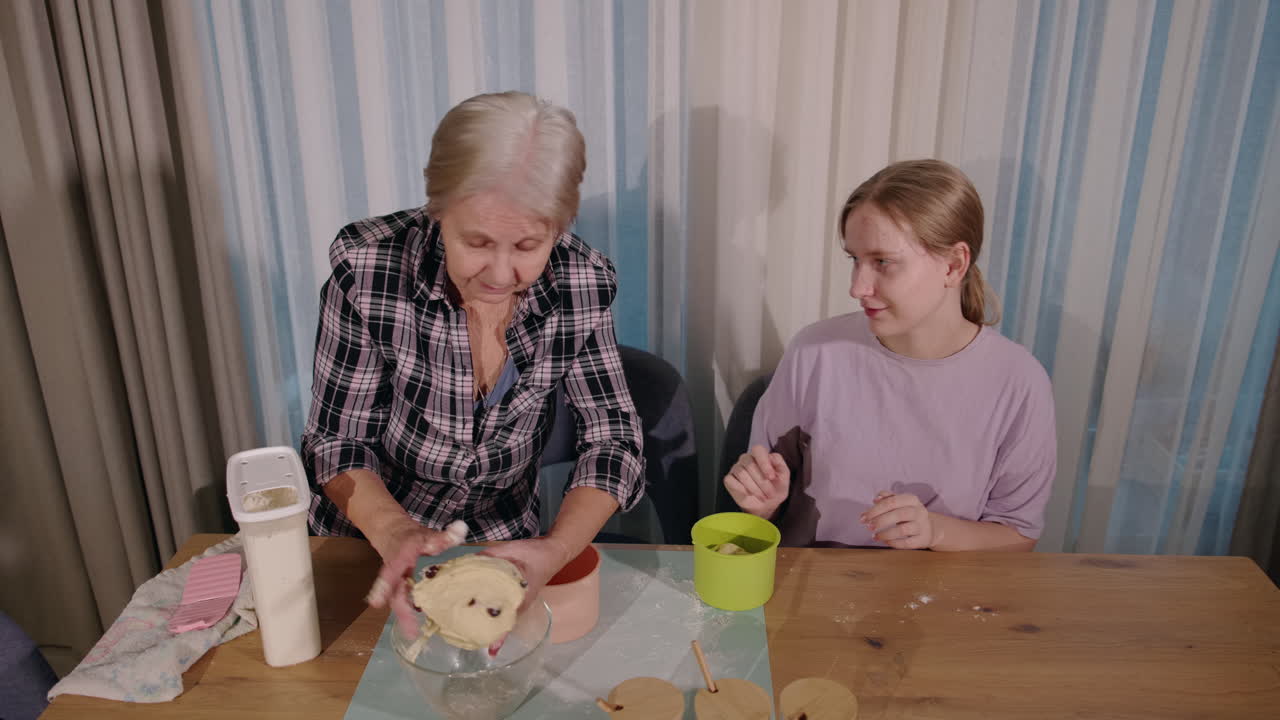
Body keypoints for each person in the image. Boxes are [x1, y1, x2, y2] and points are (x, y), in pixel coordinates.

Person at [300, 92, 644, 631]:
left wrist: (553, 550)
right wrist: (394, 532)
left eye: (529, 245)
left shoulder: (584, 283)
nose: (502, 275)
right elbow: (337, 443)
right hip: (366, 543)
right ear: (438, 210)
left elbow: (613, 439)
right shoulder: (369, 270)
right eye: (476, 242)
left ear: (561, 223)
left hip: (499, 543)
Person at [723, 159, 1056, 551]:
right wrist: (762, 508)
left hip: (941, 601)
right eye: (854, 260)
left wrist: (935, 531)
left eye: (883, 262)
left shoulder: (1019, 383)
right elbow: (761, 516)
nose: (858, 287)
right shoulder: (814, 353)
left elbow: (1018, 536)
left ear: (954, 264)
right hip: (811, 591)